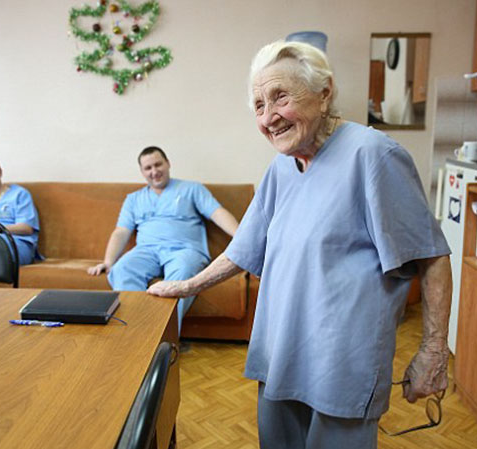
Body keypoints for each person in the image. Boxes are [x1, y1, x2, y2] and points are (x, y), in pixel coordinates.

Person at [148, 41, 452, 448]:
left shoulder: (374, 155)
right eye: (259, 105)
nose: (268, 117)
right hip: (281, 352)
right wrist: (187, 286)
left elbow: (431, 256)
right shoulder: (281, 167)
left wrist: (433, 351)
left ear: (324, 93)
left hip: (341, 362)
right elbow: (244, 248)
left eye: (281, 97)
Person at [87, 146, 239, 333]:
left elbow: (218, 213)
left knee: (182, 272)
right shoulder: (133, 199)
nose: (154, 171)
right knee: (121, 270)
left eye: (158, 164)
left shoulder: (192, 189)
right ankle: (135, 332)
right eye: (148, 168)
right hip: (146, 251)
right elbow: (121, 232)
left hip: (184, 250)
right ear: (142, 172)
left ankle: (164, 336)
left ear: (168, 164)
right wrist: (108, 261)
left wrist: (242, 239)